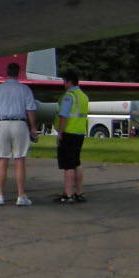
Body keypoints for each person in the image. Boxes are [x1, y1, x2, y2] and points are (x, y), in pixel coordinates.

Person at [0, 62, 38, 206]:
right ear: (18, 73)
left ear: (6, 72)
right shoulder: (24, 89)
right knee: (20, 160)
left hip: (3, 124)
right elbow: (30, 110)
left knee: (3, 160)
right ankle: (21, 195)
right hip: (19, 124)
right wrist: (33, 128)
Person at [55, 70, 89, 204]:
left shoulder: (69, 96)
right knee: (76, 162)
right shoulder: (83, 96)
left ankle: (68, 194)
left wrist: (60, 133)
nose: (63, 84)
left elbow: (63, 116)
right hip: (80, 133)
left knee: (68, 165)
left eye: (64, 81)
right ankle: (79, 192)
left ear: (69, 82)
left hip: (69, 132)